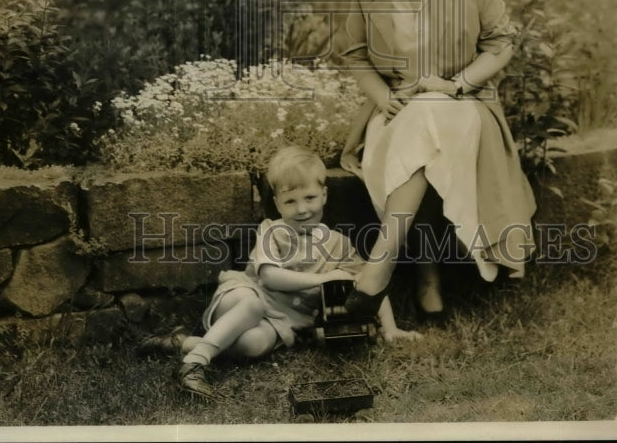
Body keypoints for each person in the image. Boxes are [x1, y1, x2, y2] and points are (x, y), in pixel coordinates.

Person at [337, 0, 536, 323]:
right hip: (396, 110)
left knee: (432, 113)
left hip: (464, 102)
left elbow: (500, 43)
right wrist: (384, 97)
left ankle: (379, 270)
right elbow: (354, 55)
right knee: (420, 127)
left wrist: (455, 85)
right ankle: (423, 280)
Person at [139, 145, 419, 400]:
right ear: (276, 203)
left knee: (253, 344)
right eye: (290, 202)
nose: (302, 209)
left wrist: (390, 328)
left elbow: (370, 283)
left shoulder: (338, 244)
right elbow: (271, 277)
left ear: (324, 195)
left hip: (279, 321)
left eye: (309, 197)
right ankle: (193, 366)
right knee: (252, 304)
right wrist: (324, 278)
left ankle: (182, 341)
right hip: (242, 297)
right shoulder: (273, 230)